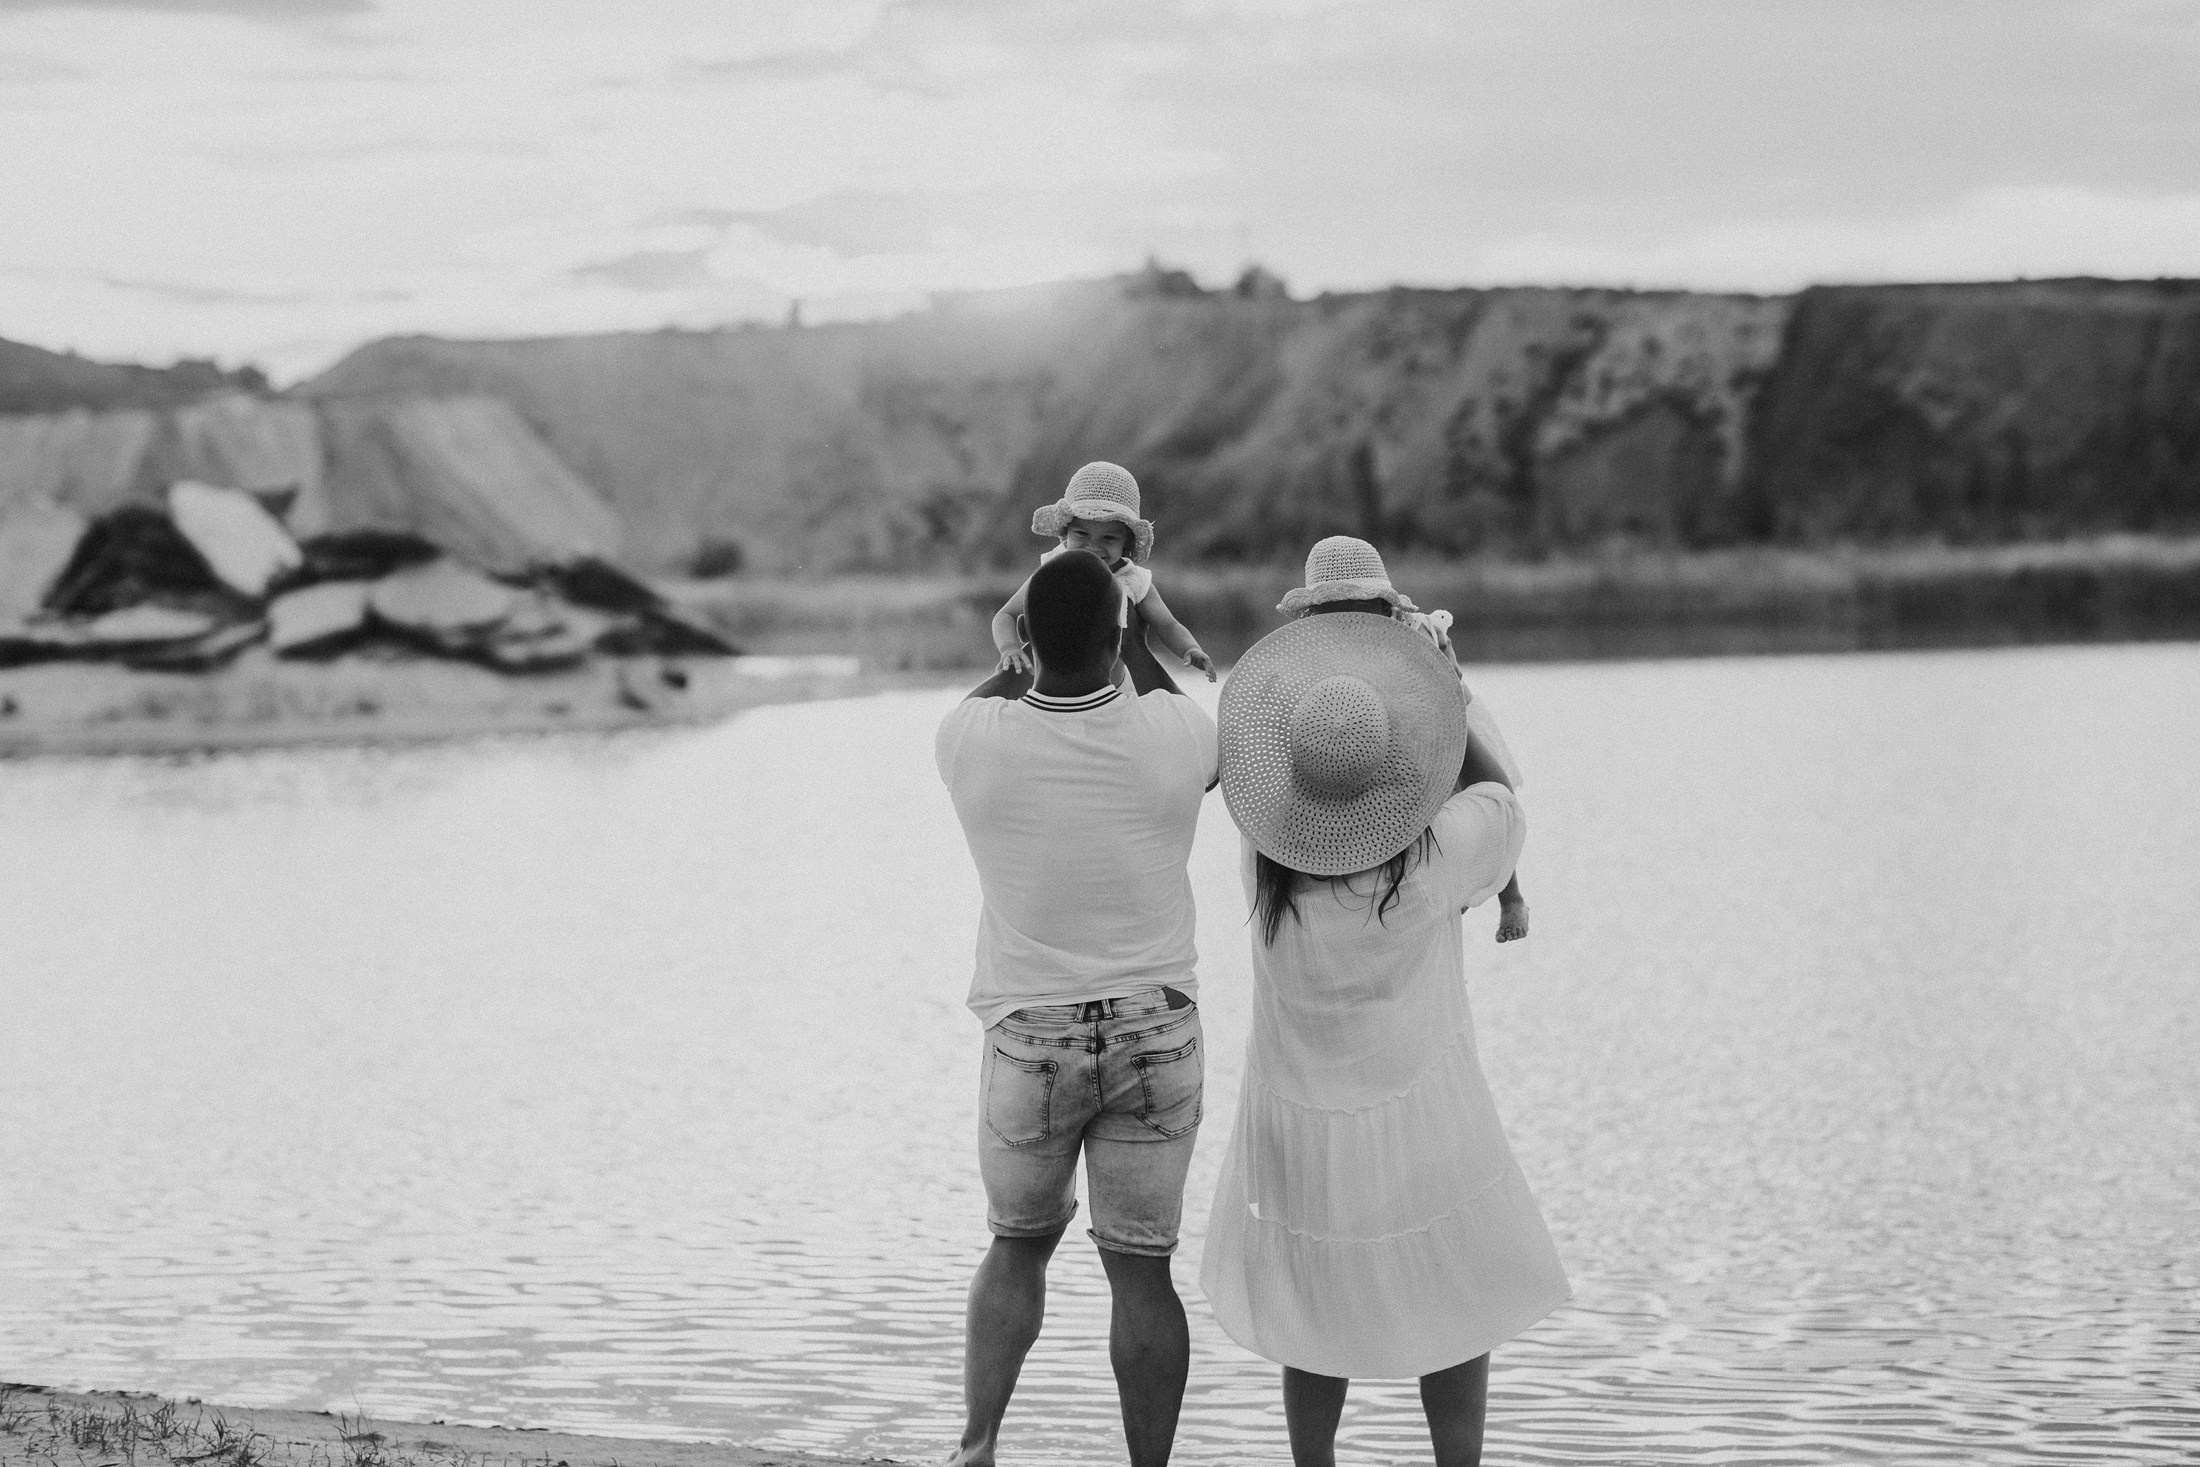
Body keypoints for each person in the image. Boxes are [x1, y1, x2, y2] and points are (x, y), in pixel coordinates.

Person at [1198, 580, 1571, 1467]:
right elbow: (1504, 797)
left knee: (1311, 1306)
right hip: (1421, 1115)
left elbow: (1283, 777)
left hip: (1302, 1123)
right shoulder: (1435, 857)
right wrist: (1439, 686)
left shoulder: (1264, 860)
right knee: (1457, 1290)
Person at [936, 548, 1219, 1467]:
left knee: (1016, 1248)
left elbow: (994, 689)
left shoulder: (970, 741)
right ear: (1117, 640)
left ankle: (977, 1447)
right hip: (1156, 1029)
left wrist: (1015, 631)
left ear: (1027, 639)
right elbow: (1164, 696)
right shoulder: (1174, 737)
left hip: (1031, 1039)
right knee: (1140, 1270)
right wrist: (1131, 623)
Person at [1276, 536, 1531, 943]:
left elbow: (1452, 691)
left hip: (1435, 721)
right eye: (1335, 614)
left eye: (1361, 612)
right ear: (1314, 617)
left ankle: (1510, 895)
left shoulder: (1417, 636)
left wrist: (1441, 682)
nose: (1351, 624)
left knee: (1480, 795)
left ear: (1385, 609)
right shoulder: (1316, 654)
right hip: (1362, 740)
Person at [991, 461, 1216, 682]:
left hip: (1114, 692)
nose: (1093, 547)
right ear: (1066, 533)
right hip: (1054, 690)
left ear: (1125, 543)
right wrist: (1009, 648)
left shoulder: (1132, 580)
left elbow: (1168, 624)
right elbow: (1005, 615)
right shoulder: (1055, 570)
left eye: (1108, 538)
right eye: (1082, 534)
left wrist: (1190, 648)